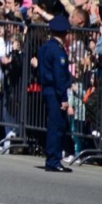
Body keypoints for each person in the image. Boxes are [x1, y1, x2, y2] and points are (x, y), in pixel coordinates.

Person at [37, 16, 73, 173]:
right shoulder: (57, 51)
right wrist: (64, 98)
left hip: (47, 89)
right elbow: (59, 76)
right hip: (55, 92)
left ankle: (53, 159)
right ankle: (53, 161)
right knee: (57, 127)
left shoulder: (44, 47)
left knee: (53, 125)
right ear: (65, 33)